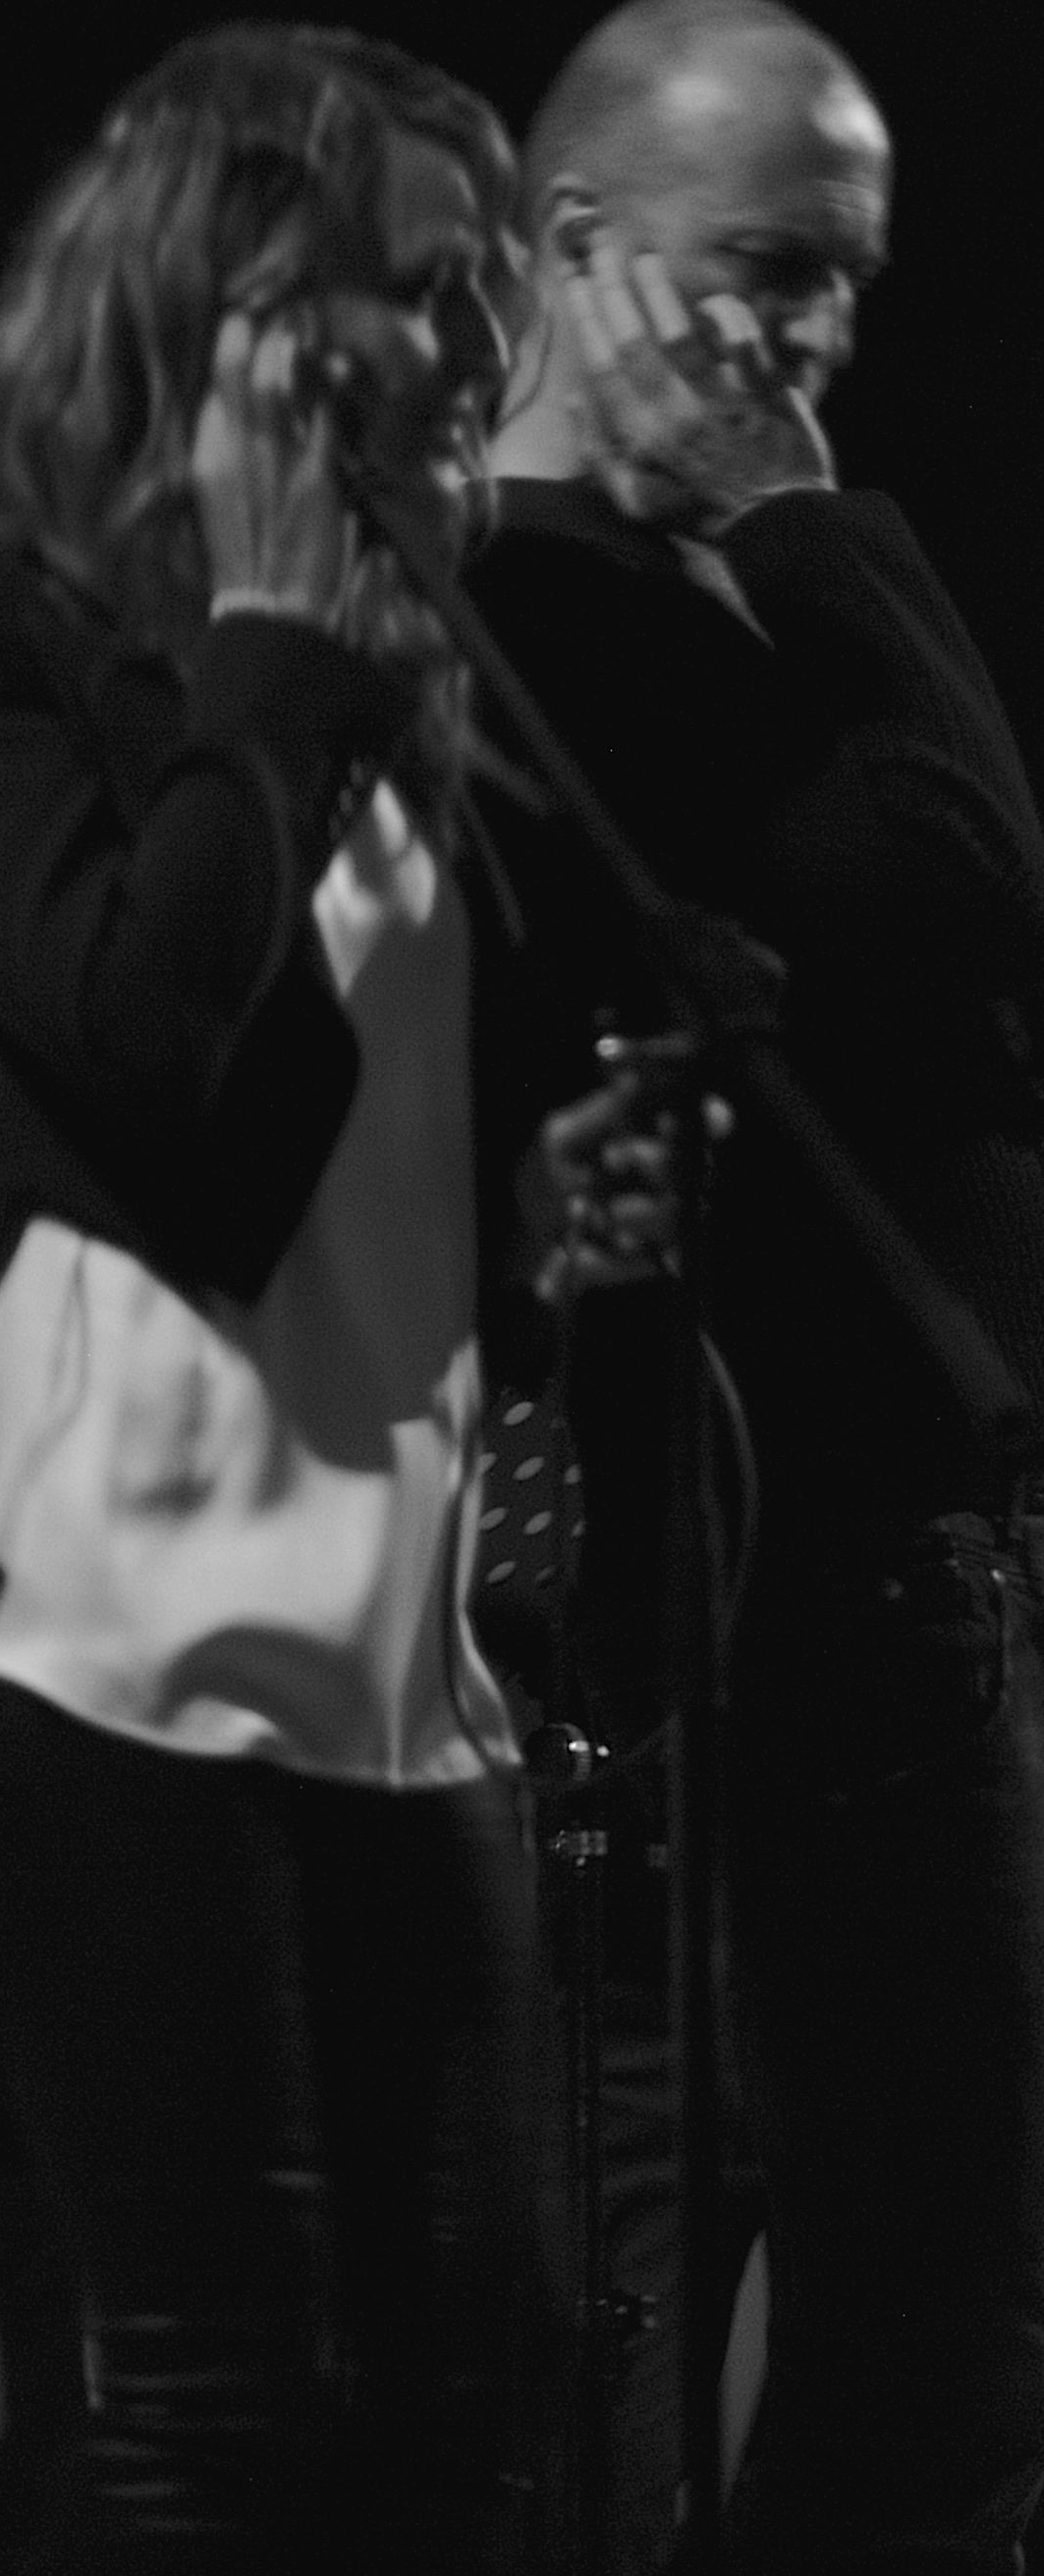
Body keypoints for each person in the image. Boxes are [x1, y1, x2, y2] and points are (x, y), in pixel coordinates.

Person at [0, 29, 554, 2569]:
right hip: (98, 1604)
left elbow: (389, 1138)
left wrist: (559, 1206)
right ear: (236, 293)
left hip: (388, 1618)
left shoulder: (400, 659)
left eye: (489, 290)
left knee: (480, 2395)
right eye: (421, 285)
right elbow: (148, 1035)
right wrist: (260, 647)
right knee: (214, 2405)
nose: (473, 347)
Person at [473, 7, 1044, 2561]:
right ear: (581, 246)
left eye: (853, 284)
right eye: (771, 264)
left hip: (874, 1572)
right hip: (794, 1580)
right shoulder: (552, 609)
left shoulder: (673, 601)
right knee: (930, 2327)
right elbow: (962, 885)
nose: (814, 335)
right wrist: (818, 528)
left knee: (935, 2313)